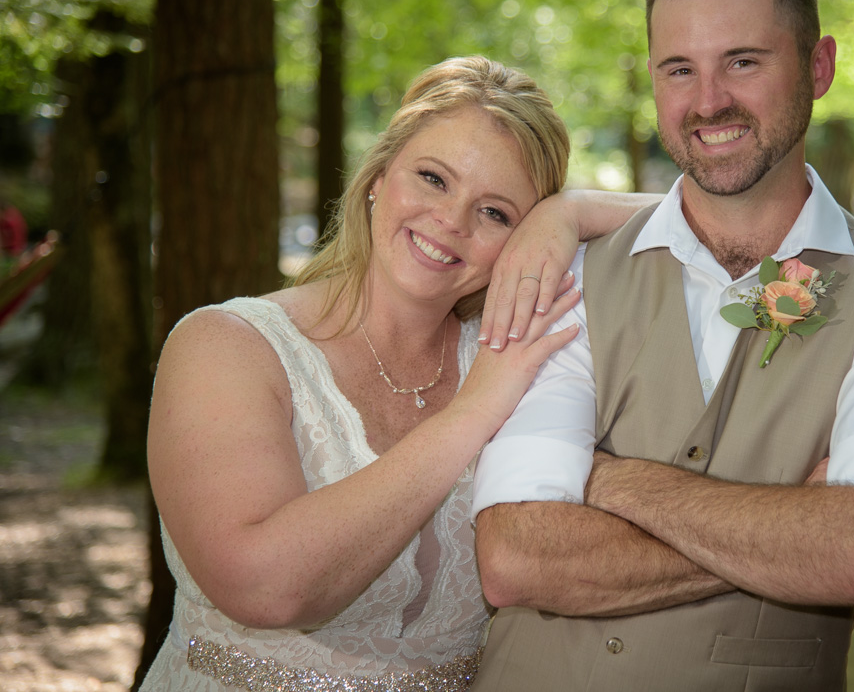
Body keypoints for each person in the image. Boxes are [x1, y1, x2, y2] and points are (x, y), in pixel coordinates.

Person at [470, 0, 854, 690]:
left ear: (818, 66)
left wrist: (608, 482)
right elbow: (513, 555)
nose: (708, 101)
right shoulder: (569, 273)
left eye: (743, 61)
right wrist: (792, 523)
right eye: (679, 69)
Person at [140, 56, 654, 691]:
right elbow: (265, 587)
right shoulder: (227, 345)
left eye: (496, 213)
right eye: (433, 178)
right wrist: (473, 413)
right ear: (379, 175)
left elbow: (720, 225)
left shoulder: (515, 349)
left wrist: (570, 211)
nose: (452, 221)